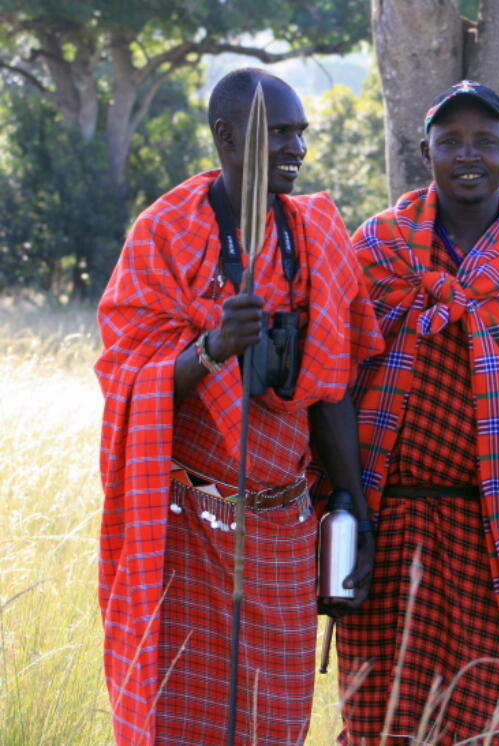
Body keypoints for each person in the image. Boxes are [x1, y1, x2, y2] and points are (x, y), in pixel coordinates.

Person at [95, 68, 383, 745]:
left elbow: (332, 387)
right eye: (280, 132)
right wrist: (213, 349)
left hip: (283, 518)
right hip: (189, 523)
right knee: (178, 716)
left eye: (302, 133)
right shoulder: (165, 232)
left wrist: (353, 506)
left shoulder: (314, 232)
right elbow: (129, 377)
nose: (298, 148)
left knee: (275, 720)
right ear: (226, 136)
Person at [334, 81, 499, 745]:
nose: (469, 154)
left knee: (493, 724)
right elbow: (337, 384)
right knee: (379, 721)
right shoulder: (377, 247)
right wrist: (346, 516)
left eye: (486, 139)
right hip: (387, 525)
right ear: (424, 148)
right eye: (451, 140)